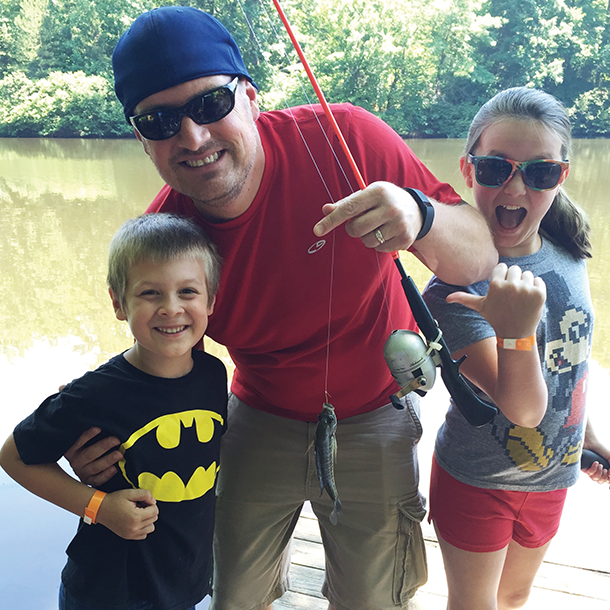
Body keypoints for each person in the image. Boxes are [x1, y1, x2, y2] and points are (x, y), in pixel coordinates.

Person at [65, 6, 498, 610]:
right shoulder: (164, 239)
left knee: (374, 599)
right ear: (142, 139)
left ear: (251, 96)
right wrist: (99, 444)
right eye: (159, 120)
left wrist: (420, 214)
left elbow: (477, 258)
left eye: (211, 103)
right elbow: (151, 365)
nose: (192, 137)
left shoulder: (346, 140)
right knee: (235, 596)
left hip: (376, 411)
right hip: (256, 415)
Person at [422, 87, 610, 610]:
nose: (516, 185)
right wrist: (515, 332)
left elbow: (571, 362)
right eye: (494, 167)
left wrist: (589, 434)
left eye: (540, 172)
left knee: (515, 596)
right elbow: (522, 409)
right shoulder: (453, 290)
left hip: (554, 475)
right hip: (477, 480)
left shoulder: (569, 251)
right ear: (466, 168)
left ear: (562, 177)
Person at [0, 213, 227, 610]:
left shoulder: (213, 373)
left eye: (188, 291)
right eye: (150, 294)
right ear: (119, 304)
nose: (171, 308)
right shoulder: (95, 393)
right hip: (109, 590)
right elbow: (14, 456)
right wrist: (98, 506)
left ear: (211, 299)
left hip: (183, 582)